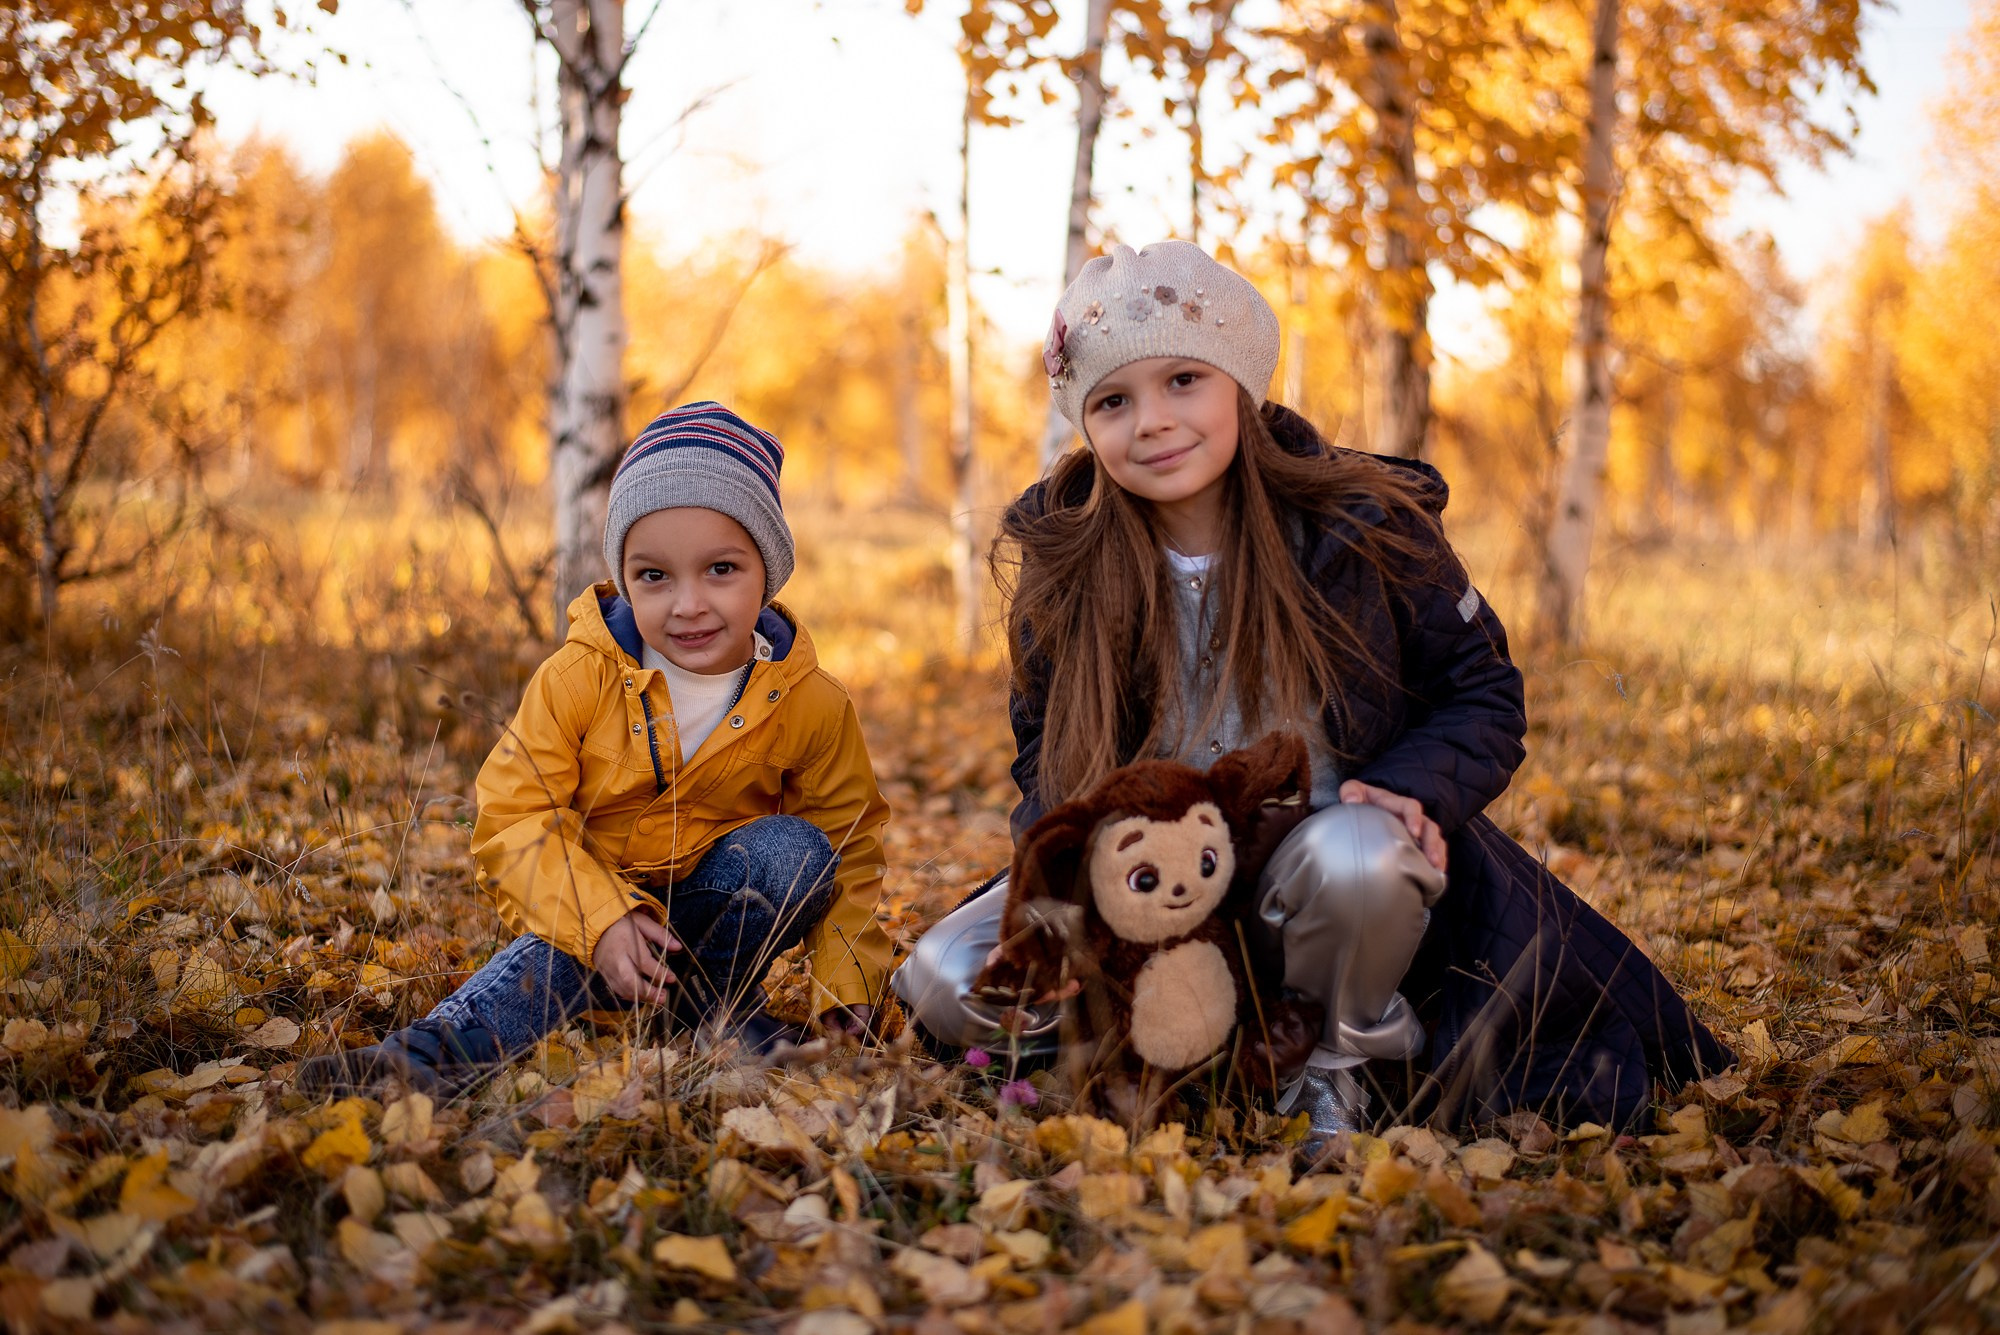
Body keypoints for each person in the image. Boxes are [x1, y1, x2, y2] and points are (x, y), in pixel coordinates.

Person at [892, 241, 1730, 1143]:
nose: (1153, 421)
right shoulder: (1067, 562)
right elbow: (1040, 748)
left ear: (1242, 385)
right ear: (1085, 425)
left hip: (1318, 876)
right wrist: (1062, 874)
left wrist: (1410, 788)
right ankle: (1174, 1041)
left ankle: (1331, 1062)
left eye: (1183, 380)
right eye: (1113, 400)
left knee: (1361, 855)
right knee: (945, 976)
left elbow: (1483, 691)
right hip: (1159, 877)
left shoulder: (1361, 526)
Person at [300, 402, 891, 1097]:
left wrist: (845, 989)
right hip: (592, 912)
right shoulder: (581, 675)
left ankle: (715, 1012)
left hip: (715, 916)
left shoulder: (808, 700)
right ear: (624, 575)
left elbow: (851, 844)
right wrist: (603, 917)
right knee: (542, 966)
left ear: (768, 570)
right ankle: (426, 1057)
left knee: (799, 852)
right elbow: (513, 817)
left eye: (721, 569)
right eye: (654, 576)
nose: (688, 604)